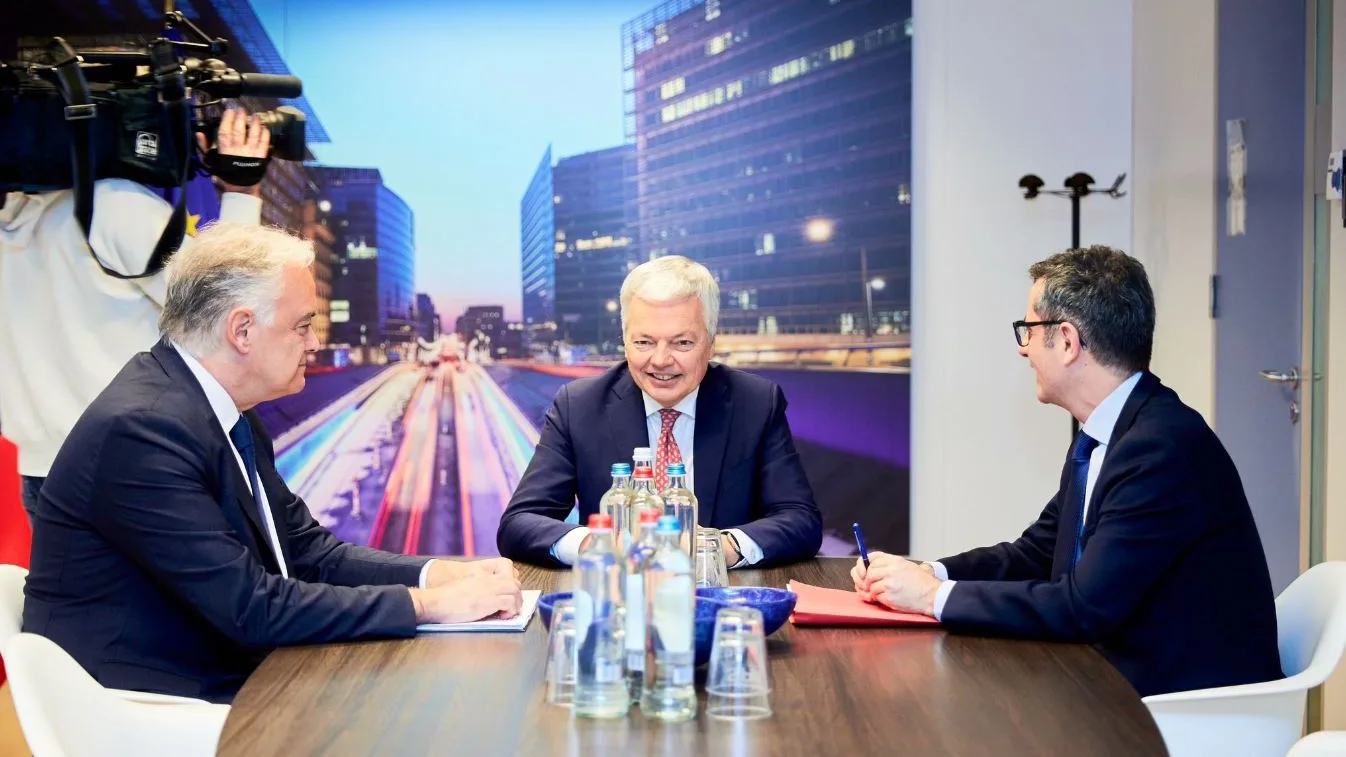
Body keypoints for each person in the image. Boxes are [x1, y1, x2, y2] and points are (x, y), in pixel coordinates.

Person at [21, 222, 522, 703]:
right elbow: (251, 607)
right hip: (148, 703)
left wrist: (437, 576)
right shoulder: (144, 431)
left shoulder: (221, 410)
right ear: (242, 330)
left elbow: (308, 553)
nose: (315, 343)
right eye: (302, 325)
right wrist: (429, 608)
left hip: (222, 667)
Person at [852, 245, 1283, 697]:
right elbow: (1035, 553)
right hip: (1115, 678)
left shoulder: (1160, 448)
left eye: (1028, 331)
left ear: (1068, 341)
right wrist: (928, 573)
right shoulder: (1110, 432)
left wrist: (929, 598)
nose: (1023, 351)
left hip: (1180, 707)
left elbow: (1084, 607)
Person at [0, 109, 269, 520]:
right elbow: (232, 307)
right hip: (136, 467)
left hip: (43, 474)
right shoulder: (114, 208)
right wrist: (241, 193)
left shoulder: (9, 221)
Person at [497, 255, 822, 568]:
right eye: (644, 343)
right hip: (619, 599)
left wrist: (720, 548)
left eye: (681, 343)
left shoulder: (756, 402)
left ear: (711, 342)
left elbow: (800, 519)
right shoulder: (579, 405)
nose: (661, 360)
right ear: (625, 340)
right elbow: (519, 523)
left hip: (721, 600)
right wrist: (598, 545)